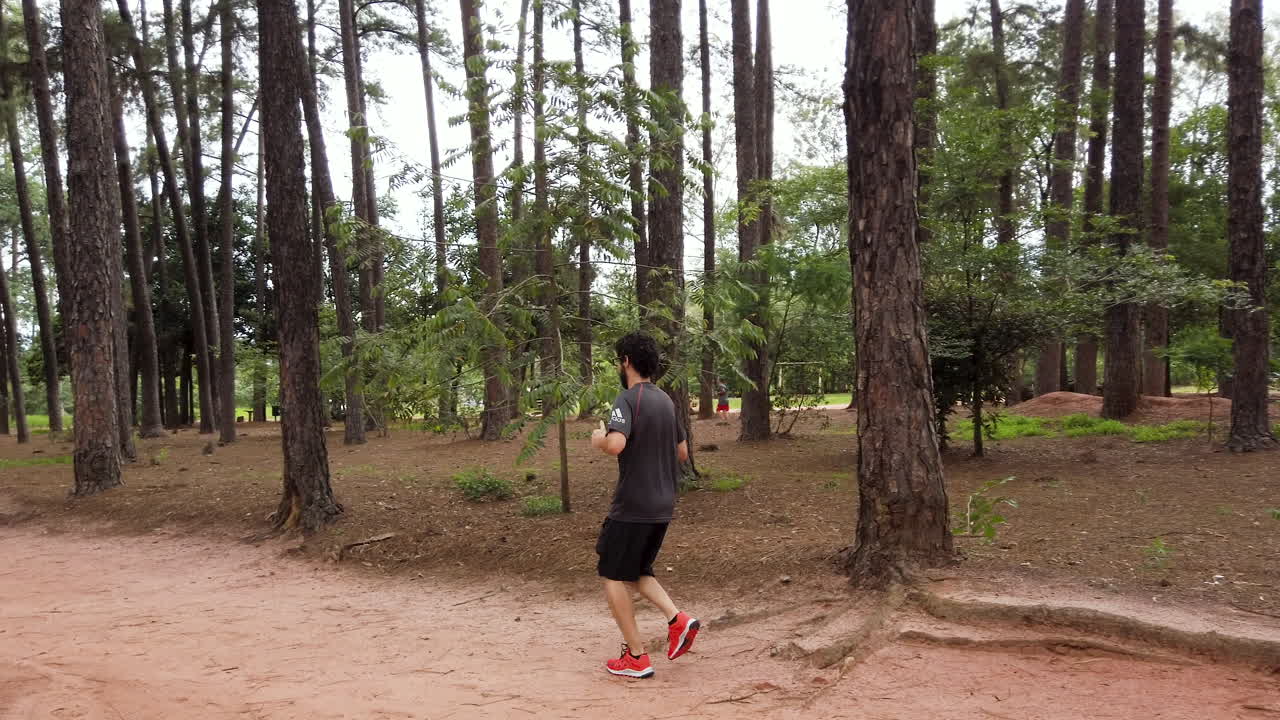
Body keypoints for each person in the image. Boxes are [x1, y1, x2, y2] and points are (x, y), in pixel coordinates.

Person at [590, 332, 699, 679]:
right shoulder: (666, 401)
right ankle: (678, 619)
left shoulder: (627, 399)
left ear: (625, 361)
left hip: (633, 503)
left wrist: (599, 439)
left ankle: (636, 657)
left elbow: (616, 445)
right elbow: (682, 452)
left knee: (611, 573)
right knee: (637, 571)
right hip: (663, 504)